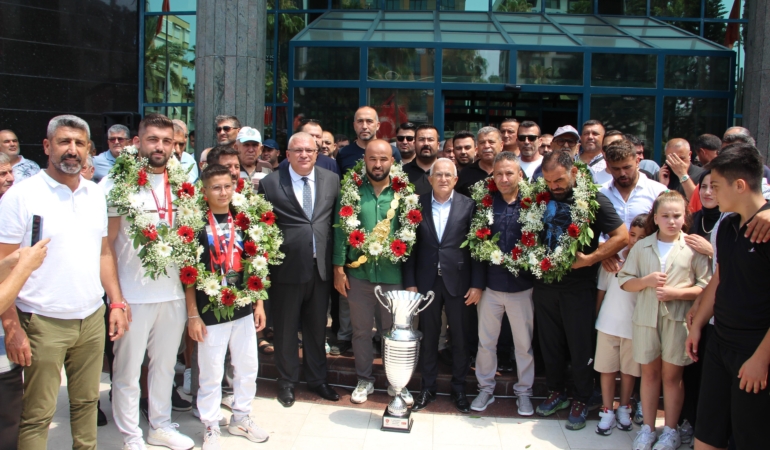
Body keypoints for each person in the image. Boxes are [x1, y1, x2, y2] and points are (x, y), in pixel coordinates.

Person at [0, 115, 128, 450]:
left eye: (79, 144)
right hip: (41, 322)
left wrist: (115, 302)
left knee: (86, 405)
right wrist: (12, 328)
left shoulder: (95, 194)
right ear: (47, 146)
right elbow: (3, 269)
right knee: (37, 414)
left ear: (88, 150)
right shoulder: (20, 196)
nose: (72, 150)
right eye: (64, 142)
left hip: (90, 320)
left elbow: (103, 253)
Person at [102, 113, 195, 450]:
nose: (160, 146)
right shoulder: (116, 184)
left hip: (172, 293)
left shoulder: (182, 183)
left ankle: (160, 425)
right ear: (136, 142)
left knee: (165, 366)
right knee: (127, 371)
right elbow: (106, 246)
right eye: (153, 139)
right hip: (133, 295)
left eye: (167, 141)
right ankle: (130, 435)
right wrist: (116, 298)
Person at [533, 151, 627, 432]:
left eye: (560, 179)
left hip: (579, 288)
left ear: (573, 172)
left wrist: (591, 258)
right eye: (549, 181)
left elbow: (621, 235)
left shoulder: (593, 199)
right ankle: (556, 391)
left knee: (580, 345)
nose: (555, 186)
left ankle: (583, 397)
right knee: (549, 343)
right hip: (545, 285)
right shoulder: (540, 198)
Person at [684, 143, 770, 450]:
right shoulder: (728, 225)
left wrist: (762, 359)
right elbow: (720, 276)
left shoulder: (767, 228)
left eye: (716, 186)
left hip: (755, 349)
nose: (709, 194)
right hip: (720, 342)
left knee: (750, 438)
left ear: (740, 185)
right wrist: (698, 325)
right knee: (706, 434)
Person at [619, 191, 710, 450]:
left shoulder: (693, 247)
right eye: (666, 216)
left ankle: (670, 429)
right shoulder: (643, 245)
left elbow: (706, 285)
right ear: (655, 218)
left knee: (672, 377)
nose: (672, 221)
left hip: (678, 320)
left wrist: (677, 293)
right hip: (646, 319)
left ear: (685, 217)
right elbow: (625, 281)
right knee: (649, 375)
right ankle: (647, 428)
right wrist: (646, 281)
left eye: (677, 216)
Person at [186, 164, 269, 449]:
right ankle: (210, 425)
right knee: (210, 371)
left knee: (247, 365)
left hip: (243, 305)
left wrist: (259, 303)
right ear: (204, 191)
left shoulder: (244, 220)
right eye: (216, 187)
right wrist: (193, 315)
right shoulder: (195, 224)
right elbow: (187, 275)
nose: (223, 192)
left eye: (227, 186)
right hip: (210, 310)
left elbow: (257, 264)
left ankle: (241, 417)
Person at [258, 132, 341, 407]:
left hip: (320, 269)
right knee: (285, 329)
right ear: (287, 154)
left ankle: (318, 380)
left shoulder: (331, 180)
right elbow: (263, 229)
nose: (304, 154)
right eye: (298, 150)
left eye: (309, 150)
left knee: (317, 328)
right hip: (286, 271)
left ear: (317, 153)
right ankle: (287, 382)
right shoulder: (270, 184)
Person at [333, 139, 410, 405]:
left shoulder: (405, 193)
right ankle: (364, 379)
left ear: (393, 161)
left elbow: (412, 236)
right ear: (363, 160)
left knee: (393, 332)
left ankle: (395, 382)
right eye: (372, 159)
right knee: (361, 331)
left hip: (393, 276)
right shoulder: (351, 190)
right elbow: (341, 231)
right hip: (360, 274)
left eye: (383, 159)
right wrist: (338, 268)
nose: (378, 165)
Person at [403, 158, 483, 413]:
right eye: (438, 175)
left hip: (459, 282)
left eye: (448, 175)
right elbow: (409, 247)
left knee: (459, 337)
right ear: (430, 178)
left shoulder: (469, 206)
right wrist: (411, 283)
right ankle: (427, 388)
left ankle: (459, 389)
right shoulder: (416, 205)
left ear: (456, 179)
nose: (443, 179)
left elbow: (477, 249)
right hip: (426, 282)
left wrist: (477, 284)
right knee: (428, 337)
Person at [469, 152, 537, 417]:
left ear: (520, 174)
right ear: (492, 176)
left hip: (522, 287)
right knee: (486, 343)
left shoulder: (533, 204)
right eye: (499, 174)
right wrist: (477, 284)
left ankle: (524, 393)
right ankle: (485, 388)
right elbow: (475, 248)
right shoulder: (484, 204)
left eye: (510, 173)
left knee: (523, 345)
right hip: (491, 287)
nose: (504, 178)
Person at [594, 213, 647, 436]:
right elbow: (601, 292)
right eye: (632, 235)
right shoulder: (612, 260)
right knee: (606, 369)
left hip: (634, 328)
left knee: (629, 371)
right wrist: (595, 318)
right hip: (607, 324)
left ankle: (624, 407)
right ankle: (607, 409)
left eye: (642, 237)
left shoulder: (648, 265)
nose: (635, 240)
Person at [600, 140, 666, 255]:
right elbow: (591, 230)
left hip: (648, 264)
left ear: (637, 162)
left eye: (627, 167)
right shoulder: (599, 193)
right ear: (608, 166)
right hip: (610, 268)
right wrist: (603, 252)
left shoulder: (658, 191)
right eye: (616, 169)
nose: (622, 173)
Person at [336, 107, 401, 174]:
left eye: (369, 121)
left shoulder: (392, 152)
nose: (364, 126)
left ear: (378, 125)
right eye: (360, 121)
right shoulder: (343, 153)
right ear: (354, 125)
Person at [455, 126, 502, 197]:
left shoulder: (511, 169)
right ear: (477, 148)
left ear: (501, 145)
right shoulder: (465, 173)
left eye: (491, 142)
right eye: (482, 142)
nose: (486, 146)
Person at [402, 124, 439, 196]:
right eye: (421, 139)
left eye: (430, 139)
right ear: (414, 144)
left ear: (438, 145)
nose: (426, 143)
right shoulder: (402, 173)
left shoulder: (448, 172)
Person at [578, 120, 608, 184]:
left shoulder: (609, 162)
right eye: (586, 134)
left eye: (595, 134)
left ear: (604, 138)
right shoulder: (572, 160)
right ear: (581, 137)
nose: (590, 137)